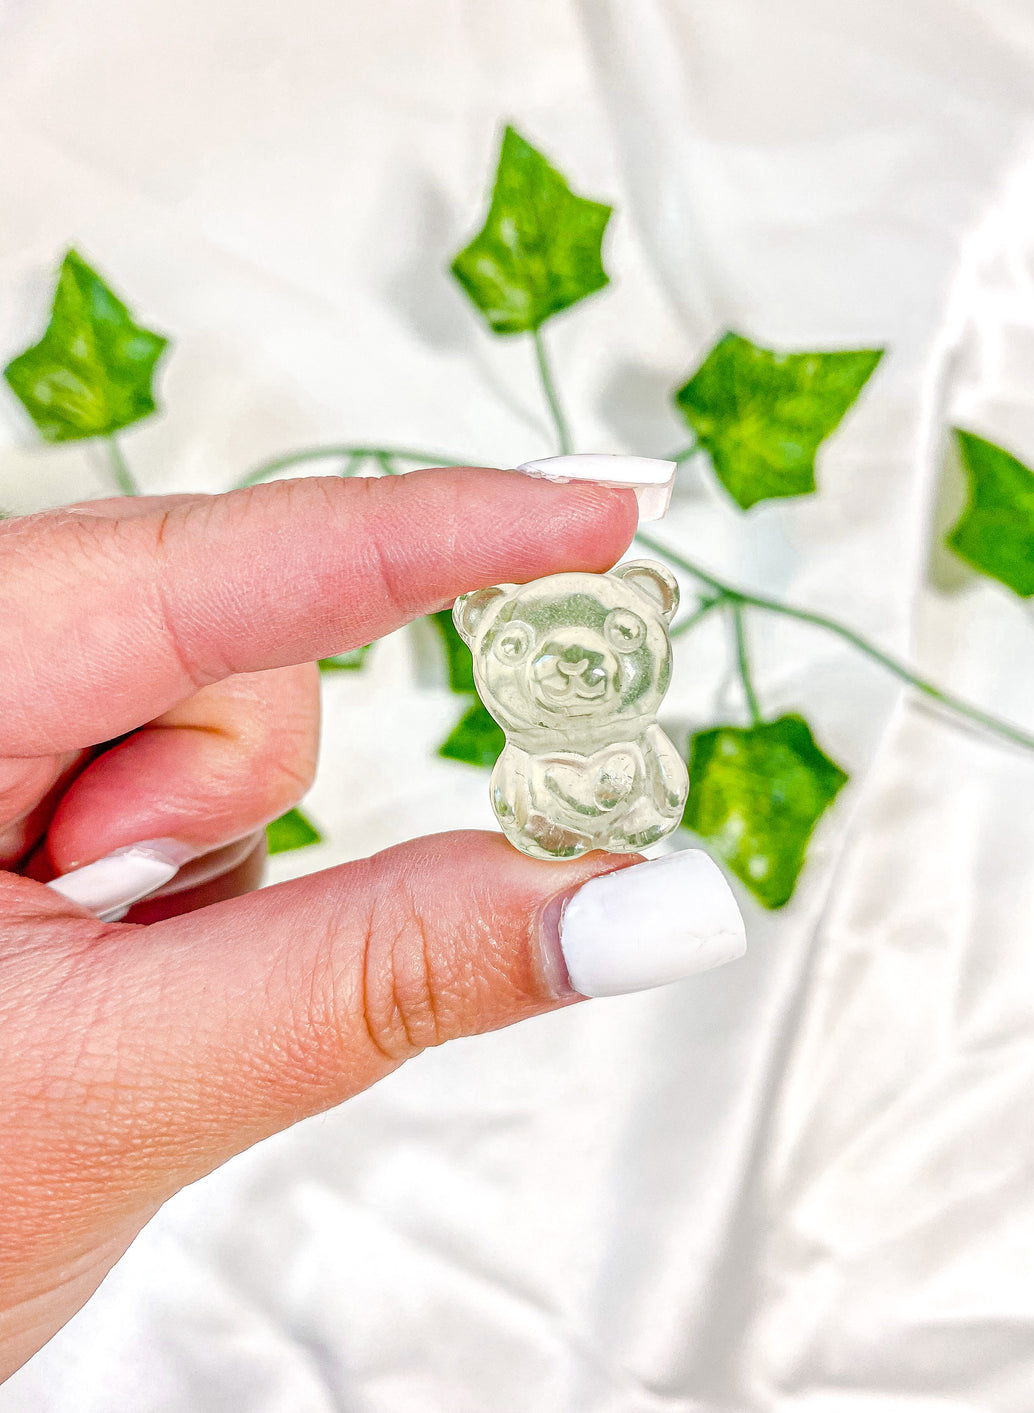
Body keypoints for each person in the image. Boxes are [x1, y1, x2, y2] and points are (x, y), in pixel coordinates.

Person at [0, 466, 742, 1378]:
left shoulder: (639, 733)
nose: (578, 663)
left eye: (615, 631)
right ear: (482, 635)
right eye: (532, 644)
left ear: (652, 610)